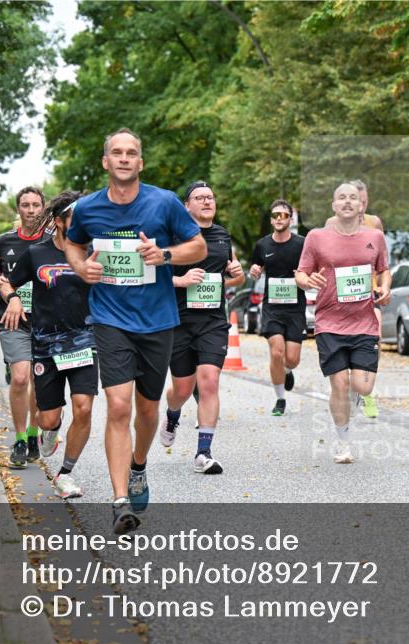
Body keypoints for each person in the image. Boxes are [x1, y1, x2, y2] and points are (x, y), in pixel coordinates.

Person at [65, 128, 205, 534]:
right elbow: (72, 244)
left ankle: (139, 465)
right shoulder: (88, 208)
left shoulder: (164, 202)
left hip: (157, 320)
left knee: (146, 410)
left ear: (140, 162)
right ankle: (119, 500)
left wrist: (165, 254)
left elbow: (198, 246)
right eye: (117, 152)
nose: (124, 158)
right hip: (110, 319)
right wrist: (81, 268)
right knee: (118, 406)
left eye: (131, 153)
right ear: (105, 161)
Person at [1, 190, 94, 497]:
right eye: (76, 218)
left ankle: (65, 474)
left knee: (84, 408)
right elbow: (7, 283)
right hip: (46, 345)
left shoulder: (93, 251)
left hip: (84, 341)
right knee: (47, 418)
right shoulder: (36, 253)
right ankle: (50, 430)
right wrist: (13, 298)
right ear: (59, 221)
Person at [295, 183, 390, 464]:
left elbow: (384, 270)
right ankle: (343, 442)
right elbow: (301, 274)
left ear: (361, 205)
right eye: (341, 198)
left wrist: (385, 288)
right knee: (339, 383)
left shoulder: (375, 237)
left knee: (363, 386)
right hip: (329, 322)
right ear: (333, 205)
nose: (347, 202)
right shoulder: (316, 237)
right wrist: (307, 281)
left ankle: (355, 397)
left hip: (364, 322)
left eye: (352, 198)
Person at [157, 181, 244, 474]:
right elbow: (153, 276)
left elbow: (231, 277)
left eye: (210, 197)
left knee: (209, 381)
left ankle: (203, 453)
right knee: (182, 388)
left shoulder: (222, 236)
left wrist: (236, 273)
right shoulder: (173, 237)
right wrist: (180, 281)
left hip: (213, 322)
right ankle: (172, 414)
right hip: (179, 322)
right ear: (186, 206)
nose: (207, 201)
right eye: (199, 198)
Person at [0, 187, 50, 465]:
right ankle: (21, 439)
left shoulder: (52, 241)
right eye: (26, 205)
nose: (31, 210)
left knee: (38, 380)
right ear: (18, 209)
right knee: (21, 377)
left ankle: (35, 434)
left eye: (36, 205)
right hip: (13, 320)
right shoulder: (6, 240)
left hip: (45, 320)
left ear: (43, 208)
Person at [248, 199, 306, 416]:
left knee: (292, 358)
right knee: (276, 351)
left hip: (295, 308)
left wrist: (304, 275)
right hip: (272, 308)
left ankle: (288, 371)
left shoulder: (302, 244)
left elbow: (310, 269)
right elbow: (256, 268)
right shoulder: (262, 245)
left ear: (291, 219)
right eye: (275, 215)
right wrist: (254, 271)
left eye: (284, 215)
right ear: (271, 220)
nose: (279, 219)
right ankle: (280, 399)